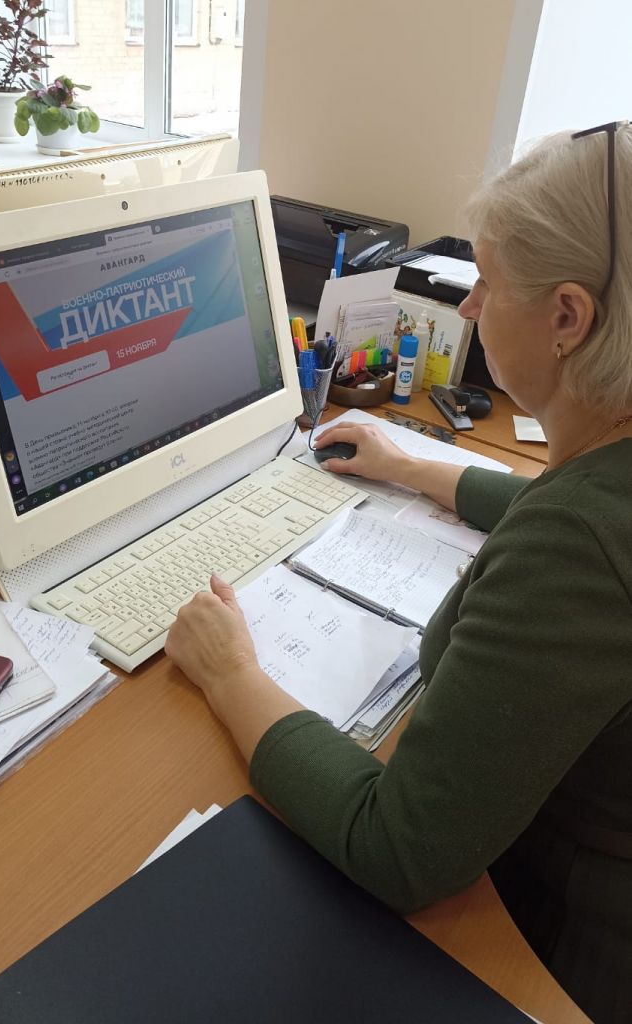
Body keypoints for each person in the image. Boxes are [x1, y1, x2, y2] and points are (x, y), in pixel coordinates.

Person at [165, 124, 632, 1024]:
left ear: (568, 318)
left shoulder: (577, 545)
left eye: (488, 283)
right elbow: (571, 511)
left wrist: (229, 672)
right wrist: (418, 468)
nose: (471, 306)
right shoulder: (602, 477)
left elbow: (399, 850)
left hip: (560, 952)